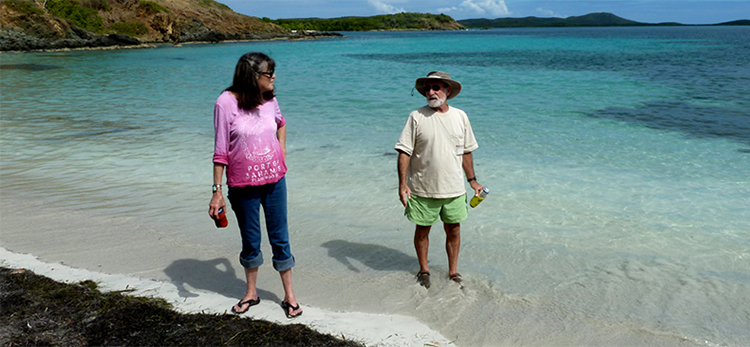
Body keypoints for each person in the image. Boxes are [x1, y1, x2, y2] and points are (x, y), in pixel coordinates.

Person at [209, 52, 302, 318]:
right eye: (268, 73)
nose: (274, 77)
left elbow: (281, 124)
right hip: (242, 186)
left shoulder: (270, 99)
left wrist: (281, 151)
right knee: (250, 241)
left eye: (273, 72)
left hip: (275, 182)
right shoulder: (225, 103)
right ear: (252, 76)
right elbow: (220, 152)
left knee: (280, 239)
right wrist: (216, 193)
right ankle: (251, 293)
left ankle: (290, 296)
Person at [395, 71, 484, 289]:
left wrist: (472, 181)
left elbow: (466, 152)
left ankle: (453, 272)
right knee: (422, 230)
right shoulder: (416, 116)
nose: (431, 92)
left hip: (454, 188)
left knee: (454, 230)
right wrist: (402, 184)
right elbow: (404, 152)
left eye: (436, 87)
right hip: (422, 188)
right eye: (427, 88)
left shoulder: (460, 116)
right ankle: (424, 270)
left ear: (448, 90)